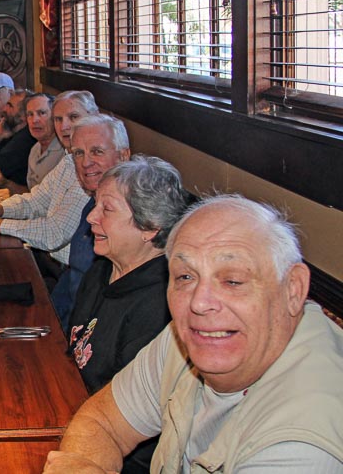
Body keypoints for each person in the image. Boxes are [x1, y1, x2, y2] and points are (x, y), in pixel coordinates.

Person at [44, 195, 343, 473]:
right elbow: (103, 420)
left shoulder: (301, 445)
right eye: (185, 277)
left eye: (233, 281)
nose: (199, 302)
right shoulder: (197, 335)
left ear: (293, 289)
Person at [66, 155, 191, 473]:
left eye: (106, 209)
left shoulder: (161, 306)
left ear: (150, 227)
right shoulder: (101, 270)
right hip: (71, 416)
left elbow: (134, 436)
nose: (91, 217)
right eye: (95, 204)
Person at [0, 91, 95, 273]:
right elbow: (36, 200)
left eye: (73, 117)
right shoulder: (68, 160)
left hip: (77, 273)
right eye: (58, 119)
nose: (64, 126)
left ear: (93, 118)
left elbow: (53, 233)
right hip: (56, 263)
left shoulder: (91, 166)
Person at [49, 111, 131, 331]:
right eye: (78, 153)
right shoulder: (90, 205)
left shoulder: (131, 220)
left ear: (124, 156)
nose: (86, 163)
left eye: (97, 151)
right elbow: (73, 279)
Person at [0, 89, 37, 188]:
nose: (4, 109)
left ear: (24, 116)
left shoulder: (26, 138)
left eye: (10, 106)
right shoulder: (10, 131)